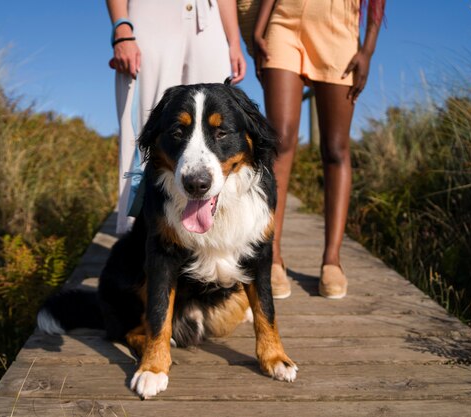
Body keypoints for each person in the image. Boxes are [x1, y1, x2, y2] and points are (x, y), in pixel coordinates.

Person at [251, 0, 385, 299]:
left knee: (336, 148)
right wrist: (258, 32)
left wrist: (367, 51)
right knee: (280, 139)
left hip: (339, 31)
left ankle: (332, 261)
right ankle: (271, 257)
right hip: (285, 23)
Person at [107, 0, 246, 234]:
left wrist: (233, 41)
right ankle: (137, 234)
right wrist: (122, 28)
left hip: (209, 19)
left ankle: (210, 237)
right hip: (152, 14)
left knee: (215, 125)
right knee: (144, 130)